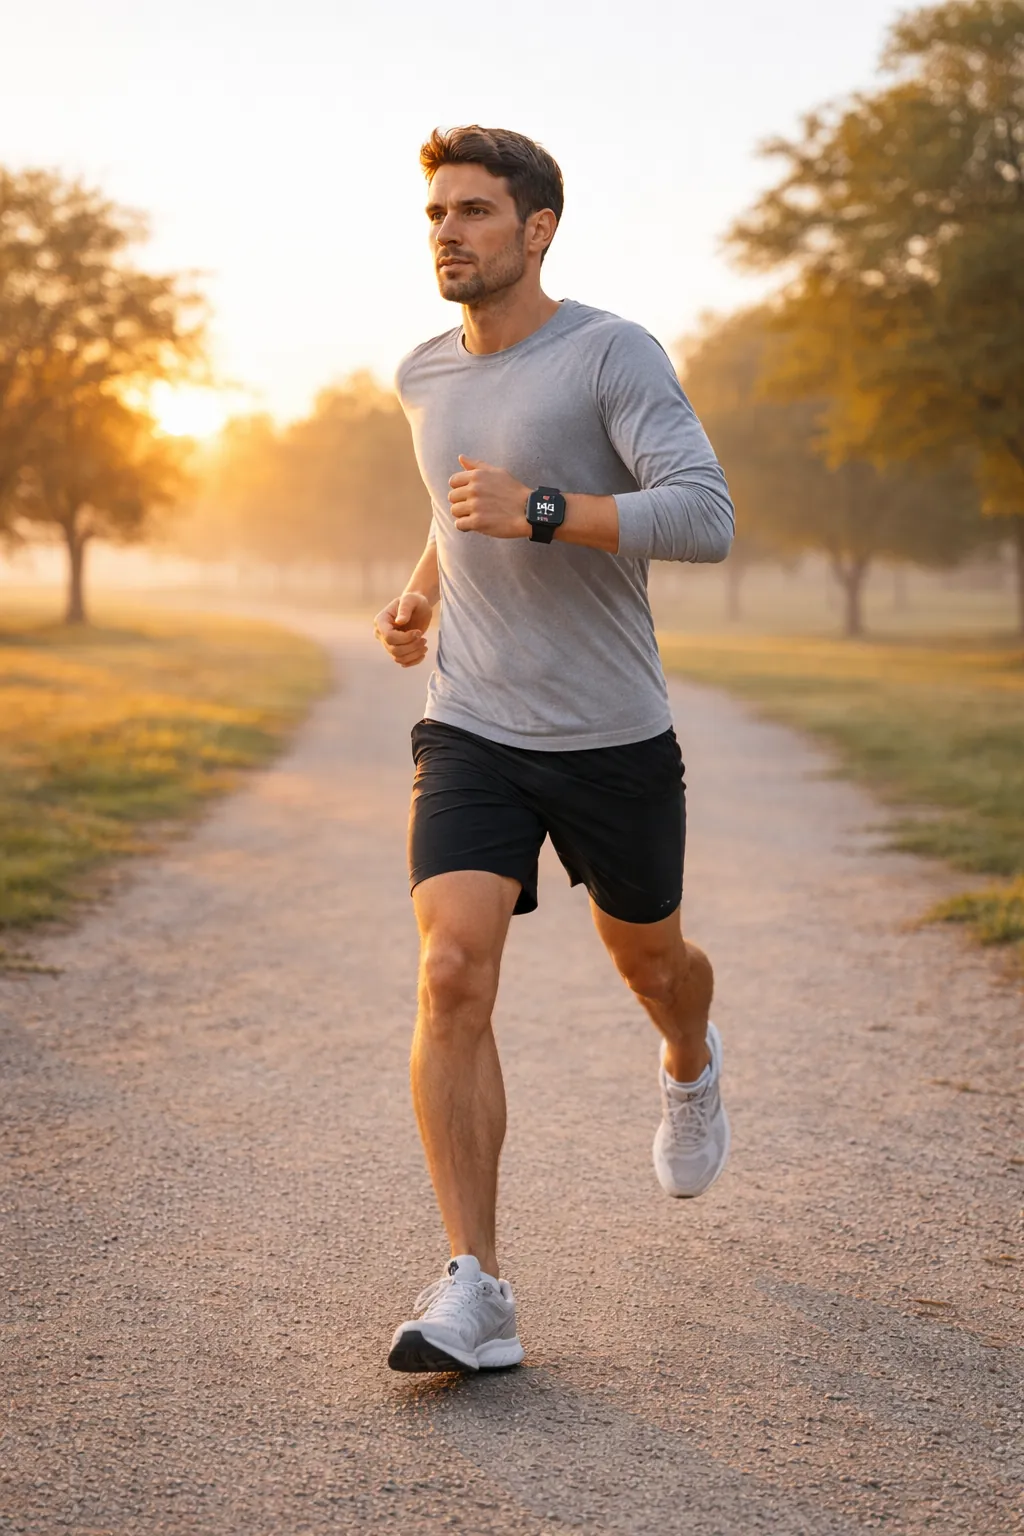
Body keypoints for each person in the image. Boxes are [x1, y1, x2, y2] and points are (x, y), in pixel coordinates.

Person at [374, 125, 735, 1374]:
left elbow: (703, 515)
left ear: (536, 231)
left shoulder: (611, 353)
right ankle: (476, 1288)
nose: (447, 232)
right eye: (435, 213)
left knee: (652, 960)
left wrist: (544, 514)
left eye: (474, 212)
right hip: (472, 723)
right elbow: (449, 501)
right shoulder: (422, 371)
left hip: (610, 734)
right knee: (452, 973)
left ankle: (689, 1057)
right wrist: (422, 588)